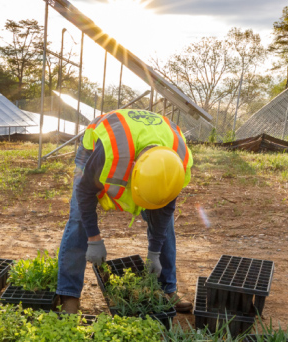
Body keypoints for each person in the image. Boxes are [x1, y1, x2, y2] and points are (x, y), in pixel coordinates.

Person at [55, 108, 194, 314]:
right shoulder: (111, 154)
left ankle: (168, 288)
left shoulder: (177, 163)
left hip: (145, 145)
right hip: (95, 150)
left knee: (167, 224)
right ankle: (69, 294)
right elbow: (85, 193)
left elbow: (165, 208)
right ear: (133, 170)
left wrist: (154, 252)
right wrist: (94, 239)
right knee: (78, 220)